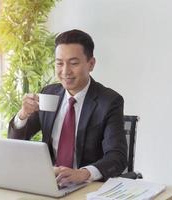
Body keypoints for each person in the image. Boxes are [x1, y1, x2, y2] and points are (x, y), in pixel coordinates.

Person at [8, 29, 127, 187]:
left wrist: (83, 174)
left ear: (91, 64)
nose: (65, 71)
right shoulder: (49, 94)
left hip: (87, 187)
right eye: (59, 63)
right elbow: (16, 142)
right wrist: (23, 115)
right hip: (49, 184)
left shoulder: (109, 101)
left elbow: (117, 157)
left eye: (73, 63)